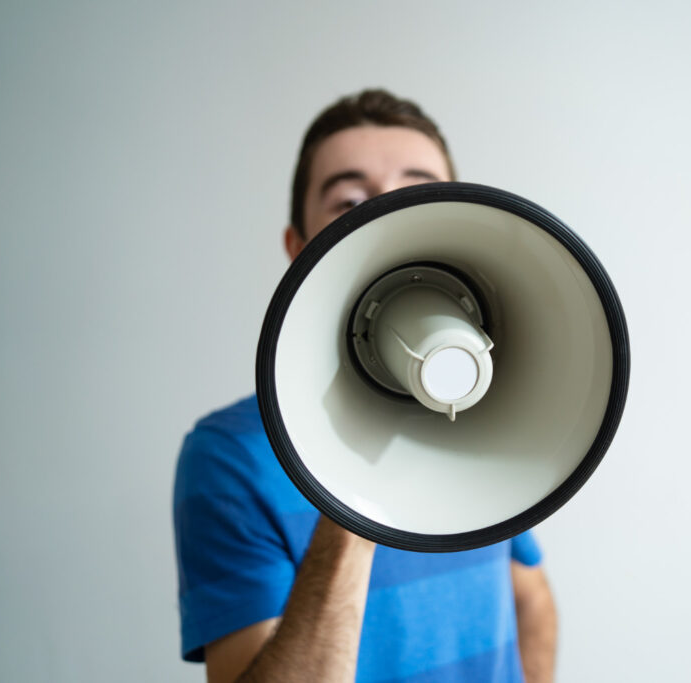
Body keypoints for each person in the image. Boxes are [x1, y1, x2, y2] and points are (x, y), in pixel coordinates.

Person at [173, 90, 558, 683]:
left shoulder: (484, 423)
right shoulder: (230, 456)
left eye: (418, 191)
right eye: (349, 201)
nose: (387, 215)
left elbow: (530, 600)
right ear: (298, 249)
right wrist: (354, 486)